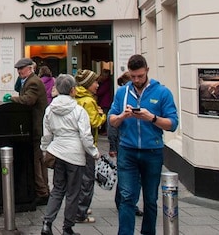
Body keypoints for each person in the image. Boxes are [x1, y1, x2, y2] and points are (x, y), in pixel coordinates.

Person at [108, 54, 179, 235]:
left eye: (140, 76)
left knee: (150, 199)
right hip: (128, 151)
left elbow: (173, 124)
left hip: (152, 151)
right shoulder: (122, 92)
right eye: (133, 76)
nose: (136, 80)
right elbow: (112, 120)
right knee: (126, 197)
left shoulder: (162, 92)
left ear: (147, 71)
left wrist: (151, 118)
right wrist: (123, 116)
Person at [40, 74, 100, 235]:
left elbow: (46, 134)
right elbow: (85, 136)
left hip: (57, 151)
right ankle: (67, 227)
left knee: (58, 188)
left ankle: (47, 222)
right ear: (73, 90)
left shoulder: (50, 109)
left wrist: (44, 148)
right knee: (73, 192)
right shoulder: (79, 111)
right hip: (75, 155)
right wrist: (94, 152)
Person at [10, 57, 50, 205]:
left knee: (37, 162)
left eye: (21, 69)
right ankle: (44, 190)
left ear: (30, 68)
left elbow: (28, 100)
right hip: (35, 127)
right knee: (39, 160)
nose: (19, 71)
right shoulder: (27, 81)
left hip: (36, 128)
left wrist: (12, 99)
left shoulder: (33, 82)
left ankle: (42, 192)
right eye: (18, 69)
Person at [108, 72, 143, 217]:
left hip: (131, 143)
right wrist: (113, 146)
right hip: (125, 143)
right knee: (128, 176)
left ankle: (123, 201)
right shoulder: (121, 97)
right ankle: (126, 202)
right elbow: (112, 123)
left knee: (127, 175)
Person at [73, 69, 106, 225]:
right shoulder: (88, 101)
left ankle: (78, 207)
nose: (97, 85)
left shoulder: (75, 97)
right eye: (95, 82)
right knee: (87, 179)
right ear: (87, 84)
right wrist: (102, 115)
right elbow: (94, 122)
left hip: (75, 144)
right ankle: (81, 212)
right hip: (87, 144)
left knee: (78, 179)